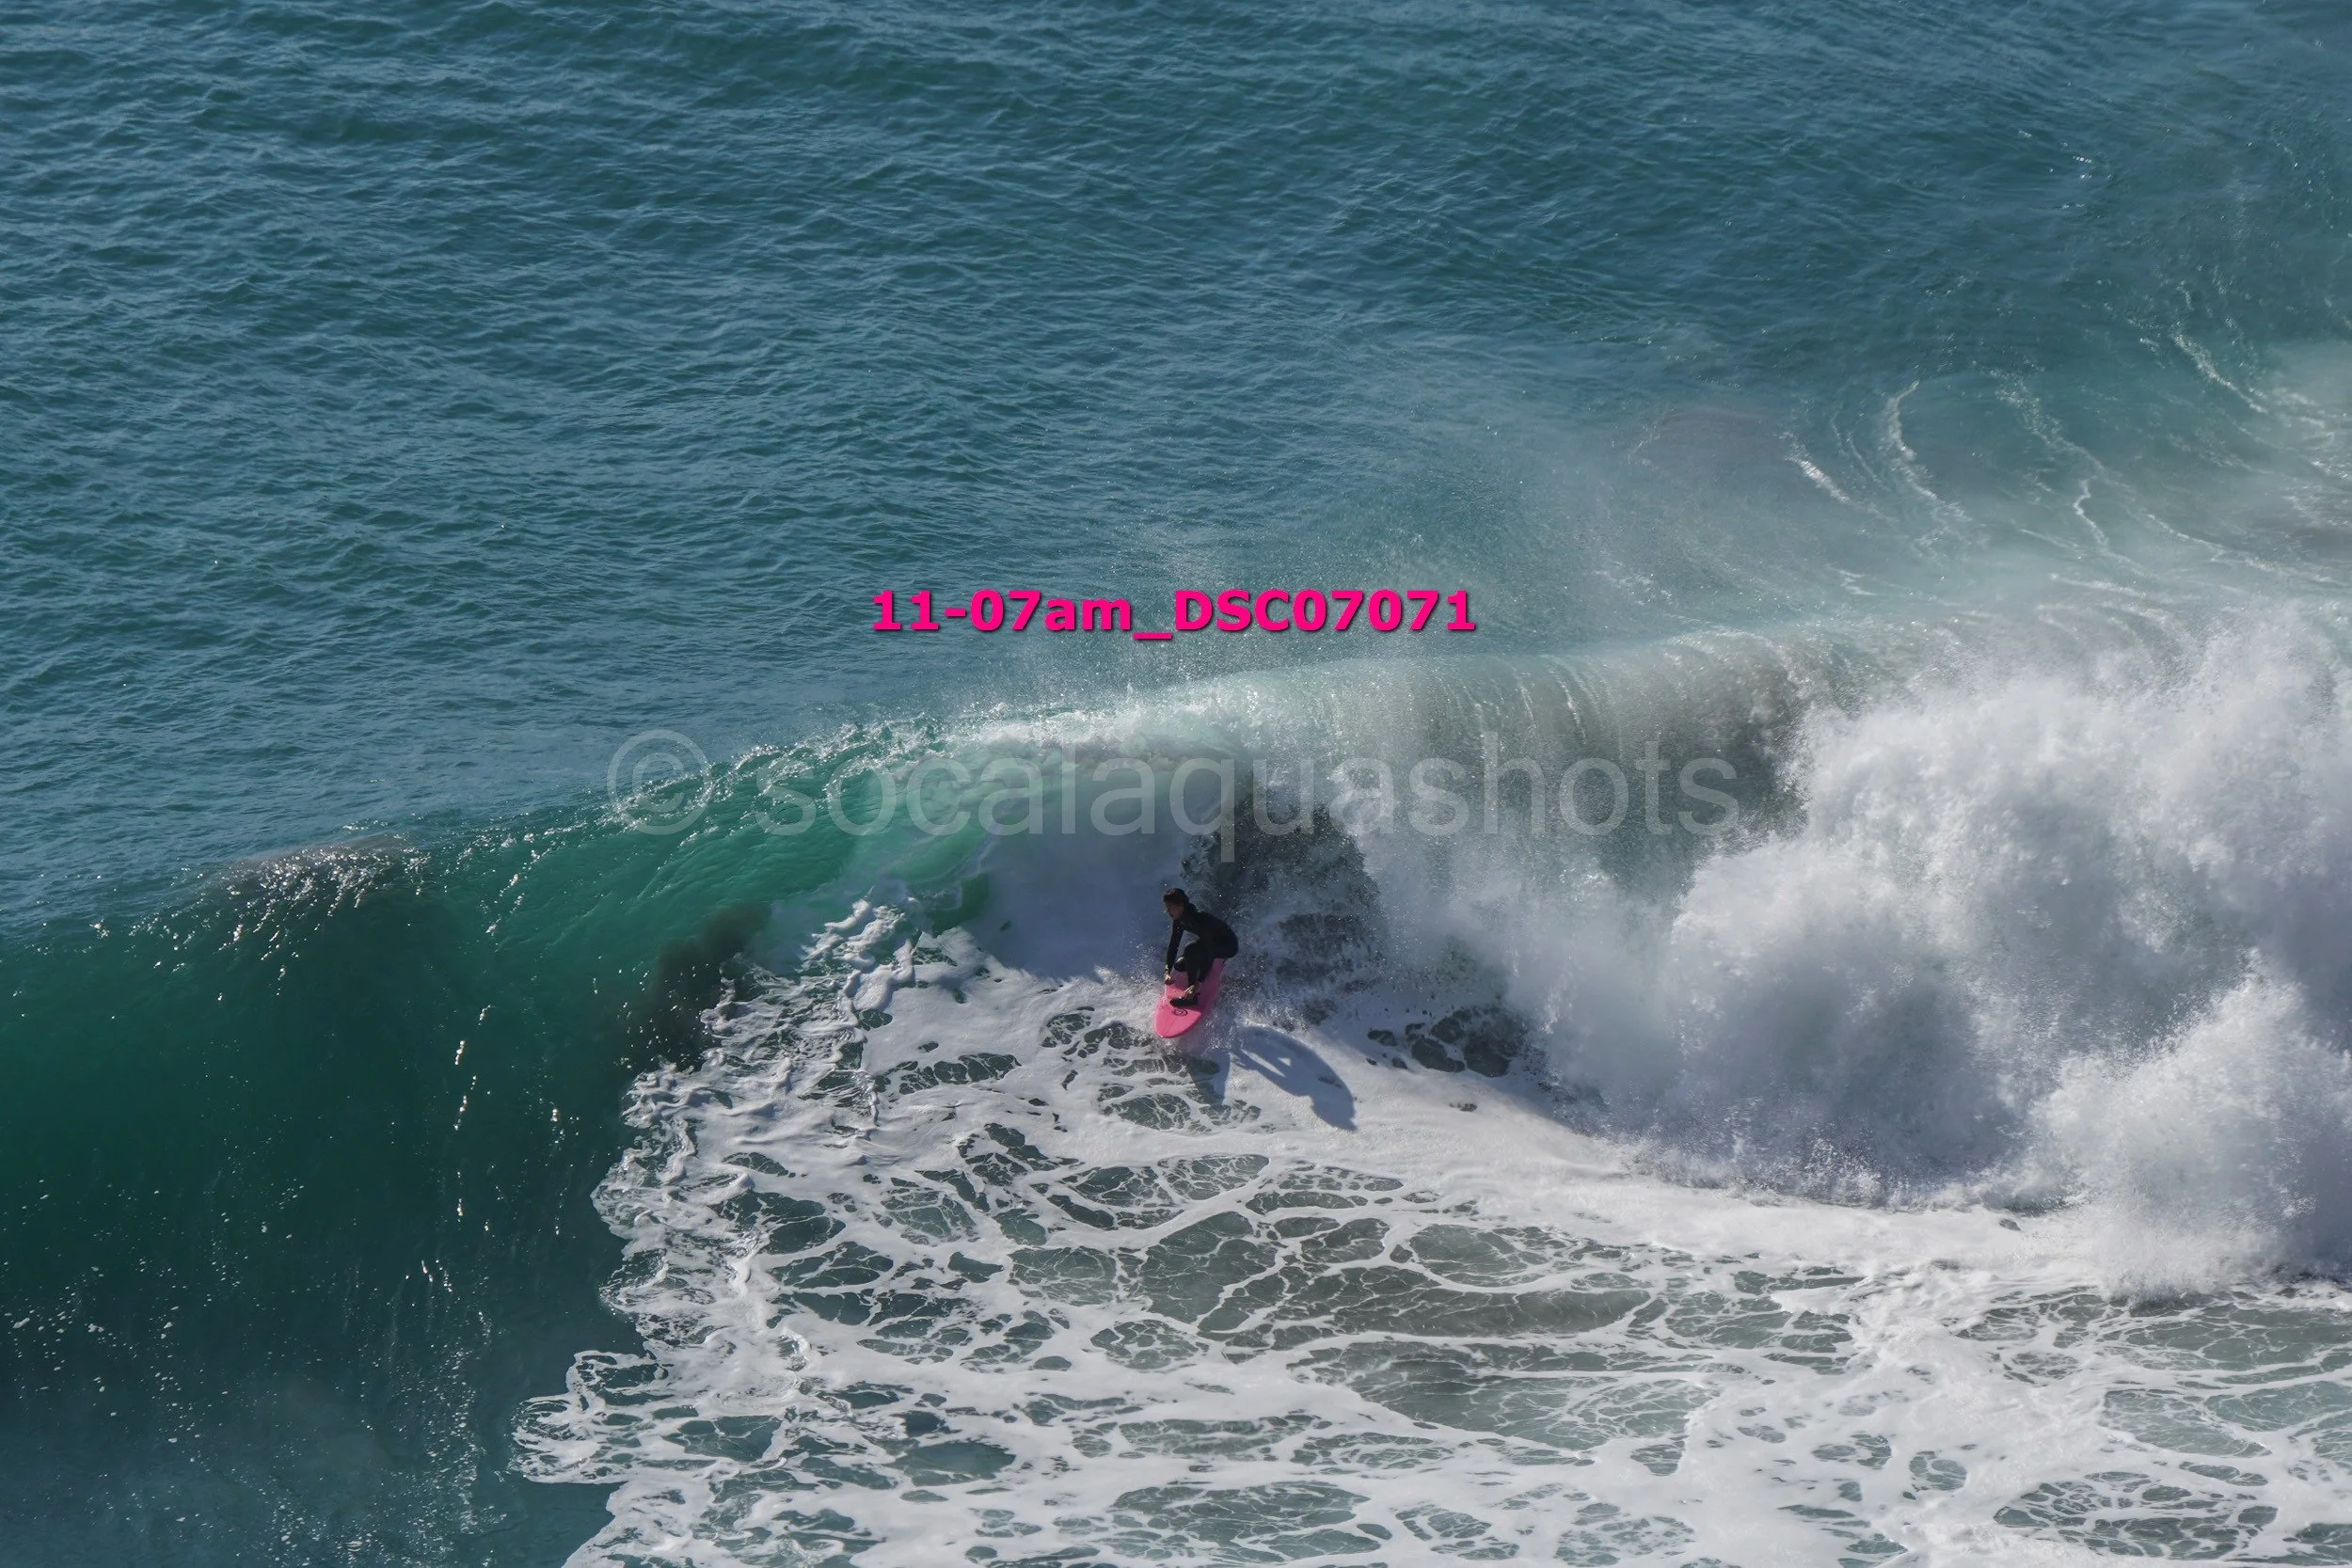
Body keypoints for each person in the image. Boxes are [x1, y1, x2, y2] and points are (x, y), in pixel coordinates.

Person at [1162, 888, 1238, 1008]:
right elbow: (1173, 945)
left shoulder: (1200, 919)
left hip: (1228, 945)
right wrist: (1167, 972)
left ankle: (1192, 997)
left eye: (1170, 907)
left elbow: (1210, 951)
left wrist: (1197, 984)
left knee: (1190, 949)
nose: (1167, 910)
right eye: (1166, 907)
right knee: (1179, 965)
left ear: (1180, 905)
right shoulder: (1179, 919)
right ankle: (1200, 965)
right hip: (1210, 942)